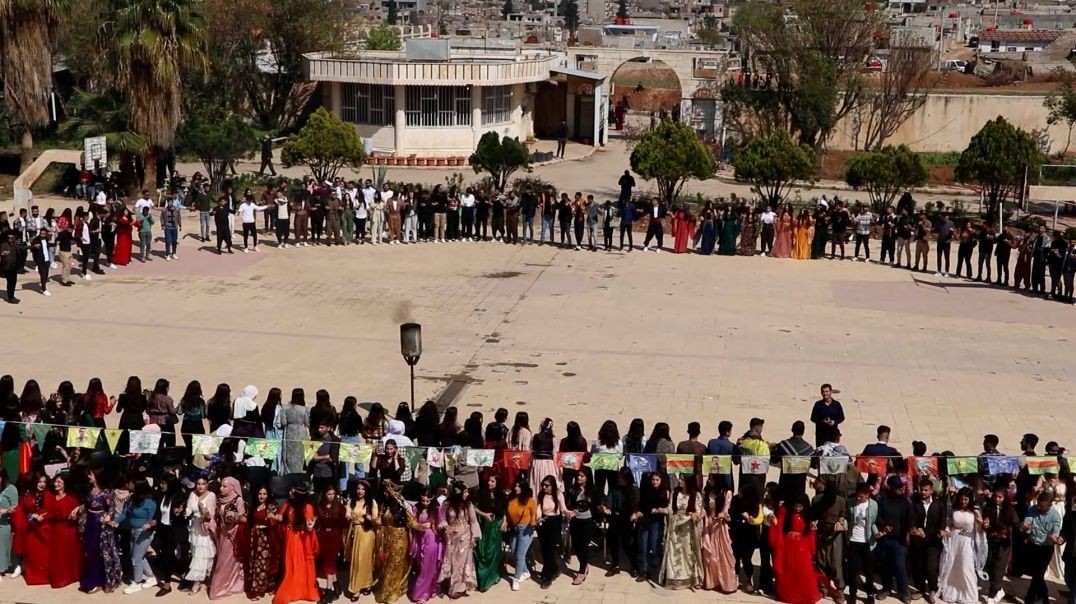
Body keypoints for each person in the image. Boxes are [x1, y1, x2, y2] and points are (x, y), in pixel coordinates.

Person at [769, 494, 822, 604]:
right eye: (796, 506)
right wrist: (774, 522)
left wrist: (812, 530)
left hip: (801, 546)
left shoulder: (807, 516)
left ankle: (801, 594)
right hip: (788, 544)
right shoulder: (786, 512)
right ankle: (788, 593)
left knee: (803, 570)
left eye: (800, 507)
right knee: (788, 568)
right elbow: (779, 524)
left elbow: (810, 531)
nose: (797, 509)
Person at [935, 487, 984, 604]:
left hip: (967, 541)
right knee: (952, 565)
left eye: (966, 500)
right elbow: (949, 524)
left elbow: (978, 530)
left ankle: (968, 593)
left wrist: (981, 523)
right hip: (954, 540)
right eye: (961, 499)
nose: (963, 502)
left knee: (966, 566)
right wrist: (946, 532)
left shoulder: (975, 511)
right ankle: (951, 591)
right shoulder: (953, 509)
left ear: (970, 500)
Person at [274, 486, 320, 604]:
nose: (290, 492)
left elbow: (310, 524)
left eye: (292, 491)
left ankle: (303, 589)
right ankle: (293, 588)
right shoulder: (287, 505)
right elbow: (280, 518)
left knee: (303, 564)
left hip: (303, 539)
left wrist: (310, 526)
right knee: (291, 563)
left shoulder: (307, 507)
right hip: (290, 538)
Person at [660, 473, 702, 589]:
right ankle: (674, 579)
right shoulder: (675, 492)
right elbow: (670, 508)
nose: (679, 481)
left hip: (688, 528)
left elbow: (699, 511)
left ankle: (690, 578)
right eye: (680, 478)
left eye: (682, 479)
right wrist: (663, 510)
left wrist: (694, 515)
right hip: (675, 526)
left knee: (687, 553)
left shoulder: (695, 494)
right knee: (674, 552)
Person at [874, 475, 913, 603]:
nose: (900, 489)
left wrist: (909, 531)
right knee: (885, 566)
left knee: (900, 566)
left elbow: (909, 518)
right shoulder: (881, 499)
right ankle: (886, 589)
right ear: (890, 487)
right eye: (897, 487)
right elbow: (877, 516)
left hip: (899, 540)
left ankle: (904, 591)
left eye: (901, 486)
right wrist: (884, 525)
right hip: (884, 539)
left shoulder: (905, 501)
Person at [439, 481, 480, 597]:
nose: (467, 494)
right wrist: (446, 527)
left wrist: (474, 537)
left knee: (461, 563)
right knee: (452, 561)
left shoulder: (468, 504)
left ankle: (459, 588)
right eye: (465, 492)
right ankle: (451, 585)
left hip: (465, 537)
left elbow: (473, 521)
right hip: (451, 538)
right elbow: (442, 519)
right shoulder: (447, 504)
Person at [1022, 491, 1063, 604]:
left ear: (1050, 505)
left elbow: (1056, 530)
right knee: (1037, 574)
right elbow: (1027, 520)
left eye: (1043, 506)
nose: (1039, 507)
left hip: (1045, 548)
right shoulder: (1033, 509)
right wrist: (1026, 526)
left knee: (1037, 575)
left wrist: (1054, 537)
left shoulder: (1055, 516)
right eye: (1039, 504)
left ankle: (1029, 599)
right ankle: (1044, 597)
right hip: (1032, 545)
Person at [700, 478, 737, 592]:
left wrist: (723, 514)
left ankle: (726, 583)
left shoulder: (727, 493)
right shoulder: (706, 491)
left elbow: (727, 511)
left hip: (720, 526)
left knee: (722, 554)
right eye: (709, 477)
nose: (710, 480)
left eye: (712, 477)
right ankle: (711, 581)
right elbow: (704, 508)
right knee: (709, 554)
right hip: (709, 524)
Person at [844, 482, 879, 604]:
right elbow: (846, 518)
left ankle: (870, 593)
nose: (859, 498)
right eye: (858, 496)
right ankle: (853, 595)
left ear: (868, 495)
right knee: (853, 569)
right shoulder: (850, 503)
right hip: (853, 539)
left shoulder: (874, 505)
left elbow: (873, 522)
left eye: (861, 496)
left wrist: (876, 533)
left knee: (869, 570)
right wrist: (843, 525)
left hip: (867, 541)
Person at [46, 474, 82, 588]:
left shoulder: (71, 499)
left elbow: (77, 516)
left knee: (69, 554)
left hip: (68, 529)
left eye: (59, 482)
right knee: (58, 555)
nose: (56, 484)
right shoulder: (52, 498)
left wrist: (73, 517)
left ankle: (71, 576)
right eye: (55, 482)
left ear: (65, 484)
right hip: (55, 529)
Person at [182, 476, 216, 595]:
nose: (200, 486)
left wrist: (203, 509)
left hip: (205, 527)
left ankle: (197, 582)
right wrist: (182, 511)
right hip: (195, 527)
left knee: (202, 554)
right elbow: (188, 510)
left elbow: (210, 515)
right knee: (196, 552)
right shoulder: (192, 494)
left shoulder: (211, 495)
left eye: (203, 484)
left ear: (207, 484)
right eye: (198, 484)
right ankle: (202, 581)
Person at [244, 485, 280, 600]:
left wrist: (272, 518)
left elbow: (275, 524)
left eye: (264, 494)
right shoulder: (254, 506)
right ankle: (256, 588)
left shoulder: (271, 507)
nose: (262, 496)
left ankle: (261, 590)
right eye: (260, 494)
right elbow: (249, 521)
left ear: (268, 495)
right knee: (254, 563)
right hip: (254, 538)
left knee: (264, 564)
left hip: (266, 539)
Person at [345, 480, 379, 599]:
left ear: (367, 491)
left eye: (363, 489)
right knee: (356, 561)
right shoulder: (352, 501)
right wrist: (348, 515)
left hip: (367, 533)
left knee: (364, 560)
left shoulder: (371, 503)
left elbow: (376, 519)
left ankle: (357, 588)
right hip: (355, 532)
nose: (360, 491)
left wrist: (371, 518)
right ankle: (366, 584)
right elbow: (348, 511)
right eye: (358, 488)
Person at [409, 488, 444, 603]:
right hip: (419, 540)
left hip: (432, 541)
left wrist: (435, 525)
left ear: (432, 499)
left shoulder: (436, 509)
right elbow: (411, 522)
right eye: (423, 500)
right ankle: (430, 588)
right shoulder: (415, 508)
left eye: (427, 501)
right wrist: (419, 526)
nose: (425, 503)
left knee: (427, 567)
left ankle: (421, 593)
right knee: (420, 565)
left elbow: (440, 525)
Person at [473, 475, 505, 591]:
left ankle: (492, 576)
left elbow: (504, 511)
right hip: (485, 526)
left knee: (494, 553)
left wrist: (504, 523)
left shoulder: (501, 495)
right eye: (489, 481)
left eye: (492, 481)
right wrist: (484, 515)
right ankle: (483, 578)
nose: (489, 483)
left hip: (496, 526)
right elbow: (474, 507)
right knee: (484, 552)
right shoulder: (482, 493)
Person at [315, 485, 346, 602]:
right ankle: (336, 585)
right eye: (329, 494)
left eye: (333, 494)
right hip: (323, 537)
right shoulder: (319, 508)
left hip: (334, 537)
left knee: (330, 563)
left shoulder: (339, 507)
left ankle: (328, 591)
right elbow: (317, 523)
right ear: (324, 495)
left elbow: (344, 523)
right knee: (327, 563)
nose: (331, 496)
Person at [505, 480, 537, 591]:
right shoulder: (511, 499)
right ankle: (526, 572)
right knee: (514, 552)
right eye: (515, 486)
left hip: (525, 529)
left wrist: (534, 523)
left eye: (519, 486)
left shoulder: (530, 501)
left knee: (520, 555)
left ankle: (516, 579)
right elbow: (507, 513)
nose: (516, 488)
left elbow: (533, 516)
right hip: (514, 529)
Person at [935, 213, 956, 277]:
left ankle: (947, 272)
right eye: (942, 216)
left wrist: (952, 231)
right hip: (940, 242)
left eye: (945, 216)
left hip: (947, 243)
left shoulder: (951, 223)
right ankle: (939, 271)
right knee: (939, 257)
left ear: (947, 217)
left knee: (947, 258)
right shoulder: (939, 223)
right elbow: (936, 230)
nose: (943, 218)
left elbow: (954, 232)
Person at [0, 233, 18, 303]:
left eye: (11, 237)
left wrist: (32, 246)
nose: (10, 239)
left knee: (14, 282)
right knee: (10, 282)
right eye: (9, 238)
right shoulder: (4, 244)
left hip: (13, 267)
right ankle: (10, 298)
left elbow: (22, 248)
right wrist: (3, 253)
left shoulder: (15, 245)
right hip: (7, 267)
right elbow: (1, 252)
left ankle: (12, 296)